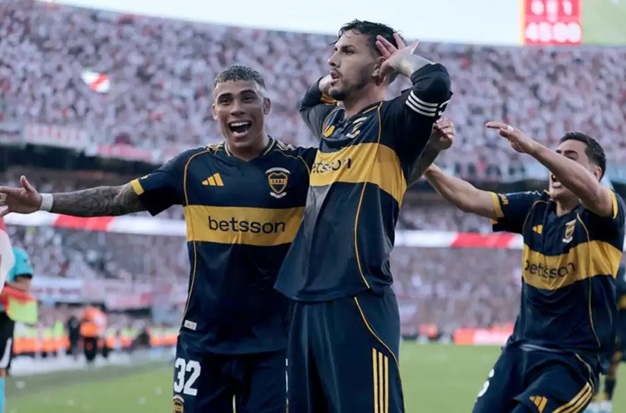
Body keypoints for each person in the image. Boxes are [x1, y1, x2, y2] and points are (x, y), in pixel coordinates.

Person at [0, 65, 316, 413]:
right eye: (225, 101)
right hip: (203, 343)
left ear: (266, 105)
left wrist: (323, 92)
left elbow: (355, 157)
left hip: (274, 345)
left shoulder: (301, 168)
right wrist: (44, 202)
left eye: (247, 98)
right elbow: (117, 198)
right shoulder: (192, 167)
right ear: (215, 111)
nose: (237, 108)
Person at [274, 19, 452, 412]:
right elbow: (308, 102)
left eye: (348, 51)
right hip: (305, 301)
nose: (332, 59)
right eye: (335, 50)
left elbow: (435, 84)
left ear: (378, 66)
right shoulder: (332, 124)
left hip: (356, 298)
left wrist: (401, 61)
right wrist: (331, 81)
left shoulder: (394, 122)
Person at [424, 121, 625, 413]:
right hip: (518, 354)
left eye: (569, 158)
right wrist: (425, 162)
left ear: (595, 175)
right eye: (556, 155)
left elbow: (594, 195)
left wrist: (533, 148)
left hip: (571, 363)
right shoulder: (535, 208)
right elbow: (471, 198)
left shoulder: (605, 216)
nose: (555, 165)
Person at [584, 265, 626, 413]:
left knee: (613, 365)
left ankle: (607, 401)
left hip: (619, 330)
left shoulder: (621, 274)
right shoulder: (612, 272)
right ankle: (593, 400)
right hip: (601, 327)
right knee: (594, 364)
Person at [0, 247, 33, 413]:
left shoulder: (15, 255)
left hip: (2, 318)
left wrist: (4, 285)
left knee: (0, 369)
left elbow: (25, 285)